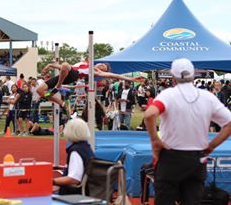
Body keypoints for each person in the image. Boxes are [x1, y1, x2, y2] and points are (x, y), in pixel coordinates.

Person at [144, 58, 231, 204]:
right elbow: (229, 123)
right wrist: (211, 146)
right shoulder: (207, 97)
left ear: (173, 77)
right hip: (197, 158)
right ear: (193, 75)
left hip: (170, 156)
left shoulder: (168, 95)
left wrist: (155, 141)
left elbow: (149, 114)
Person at [37, 62, 138, 108]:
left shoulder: (96, 71)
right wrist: (50, 65)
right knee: (39, 91)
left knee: (65, 65)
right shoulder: (87, 63)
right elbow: (63, 68)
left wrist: (130, 79)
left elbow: (114, 75)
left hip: (73, 75)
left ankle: (58, 86)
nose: (101, 67)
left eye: (104, 69)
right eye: (102, 65)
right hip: (64, 74)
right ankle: (62, 103)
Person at [53, 118, 95, 195]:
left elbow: (74, 179)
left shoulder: (76, 151)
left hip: (72, 195)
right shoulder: (86, 148)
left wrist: (52, 181)